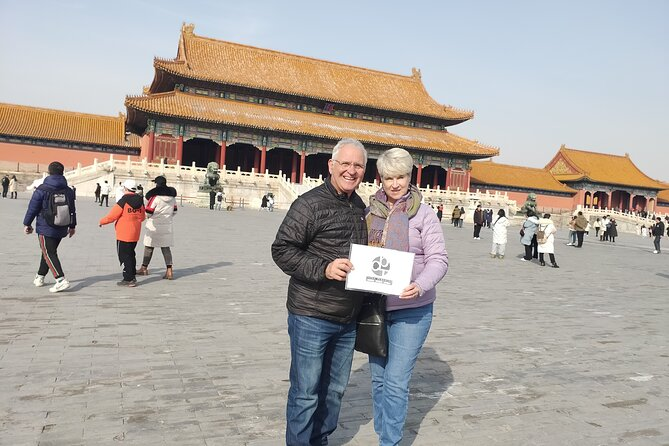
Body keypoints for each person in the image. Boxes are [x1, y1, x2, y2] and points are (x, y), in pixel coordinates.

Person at [271, 138, 368, 446]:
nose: (351, 171)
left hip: (347, 317)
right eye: (345, 164)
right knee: (306, 393)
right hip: (311, 314)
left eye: (358, 166)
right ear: (331, 166)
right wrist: (324, 268)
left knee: (335, 391)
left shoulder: (360, 207)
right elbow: (282, 250)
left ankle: (319, 440)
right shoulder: (309, 204)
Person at [364, 147, 448, 445]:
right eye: (389, 178)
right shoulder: (369, 212)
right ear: (381, 179)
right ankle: (382, 433)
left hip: (412, 309)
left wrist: (421, 284)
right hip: (376, 308)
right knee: (377, 380)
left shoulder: (423, 214)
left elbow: (439, 259)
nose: (395, 183)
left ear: (410, 177)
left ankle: (390, 442)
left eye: (401, 176)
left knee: (395, 382)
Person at [22, 162, 76, 293]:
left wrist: (27, 224)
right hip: (62, 225)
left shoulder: (42, 189)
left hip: (46, 226)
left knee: (48, 252)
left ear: (49, 172)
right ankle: (39, 276)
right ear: (62, 172)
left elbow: (32, 208)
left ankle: (61, 280)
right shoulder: (68, 190)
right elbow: (72, 210)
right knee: (48, 251)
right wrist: (72, 225)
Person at [99, 179, 146, 287]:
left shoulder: (123, 200)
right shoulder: (140, 201)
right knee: (131, 254)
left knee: (125, 256)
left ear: (125, 188)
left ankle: (128, 279)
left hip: (124, 233)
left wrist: (102, 221)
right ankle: (132, 274)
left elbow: (112, 216)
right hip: (135, 232)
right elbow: (142, 217)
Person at [136, 176, 177, 279]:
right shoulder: (172, 198)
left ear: (157, 184)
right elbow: (175, 211)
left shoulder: (155, 197)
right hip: (167, 225)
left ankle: (144, 268)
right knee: (165, 248)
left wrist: (148, 217)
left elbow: (148, 211)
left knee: (149, 246)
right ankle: (169, 270)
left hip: (154, 225)